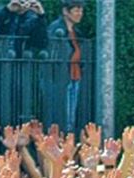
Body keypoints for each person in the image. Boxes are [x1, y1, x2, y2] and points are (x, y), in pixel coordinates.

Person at [47, 0, 85, 134]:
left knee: (71, 115)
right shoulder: (56, 29)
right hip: (61, 76)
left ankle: (68, 137)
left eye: (81, 10)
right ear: (65, 11)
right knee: (61, 113)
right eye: (76, 10)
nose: (80, 14)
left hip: (75, 75)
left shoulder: (76, 31)